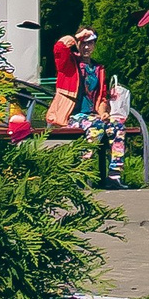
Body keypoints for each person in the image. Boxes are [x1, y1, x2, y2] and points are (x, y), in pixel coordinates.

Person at [45, 27, 116, 183]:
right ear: (77, 44)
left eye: (90, 43)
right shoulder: (69, 63)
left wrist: (104, 112)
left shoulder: (98, 69)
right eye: (83, 43)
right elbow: (59, 48)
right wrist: (75, 36)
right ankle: (81, 169)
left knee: (116, 127)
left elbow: (102, 98)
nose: (86, 47)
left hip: (92, 117)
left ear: (94, 45)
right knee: (96, 126)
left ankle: (114, 176)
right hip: (71, 117)